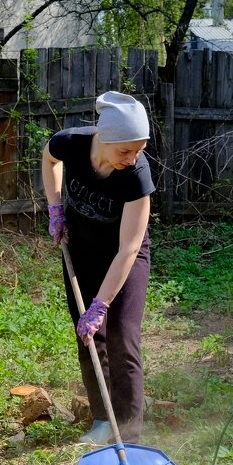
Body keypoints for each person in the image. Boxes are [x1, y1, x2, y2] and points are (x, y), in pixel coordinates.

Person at [42, 91, 155, 445]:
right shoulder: (71, 143)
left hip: (125, 257)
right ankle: (103, 419)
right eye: (126, 150)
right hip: (82, 251)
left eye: (139, 149)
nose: (133, 157)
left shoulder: (136, 174)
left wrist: (101, 305)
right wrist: (55, 206)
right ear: (104, 137)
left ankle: (131, 431)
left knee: (121, 333)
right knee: (89, 334)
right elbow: (49, 160)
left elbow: (129, 247)